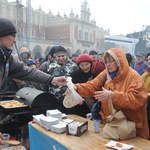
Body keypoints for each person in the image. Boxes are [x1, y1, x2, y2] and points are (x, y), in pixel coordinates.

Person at [69, 48, 149, 139]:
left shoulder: (134, 77)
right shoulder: (106, 74)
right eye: (106, 62)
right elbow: (92, 86)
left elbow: (137, 100)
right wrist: (76, 88)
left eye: (111, 61)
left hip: (132, 129)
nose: (108, 65)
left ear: (120, 61)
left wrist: (113, 95)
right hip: (112, 126)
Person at [0, 18, 66, 93]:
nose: (15, 41)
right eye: (12, 35)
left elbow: (26, 71)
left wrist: (52, 79)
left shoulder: (7, 57)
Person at [47, 46, 78, 113]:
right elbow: (49, 81)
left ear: (66, 55)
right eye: (59, 56)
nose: (61, 58)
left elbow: (77, 81)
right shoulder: (51, 66)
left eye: (63, 56)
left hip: (69, 98)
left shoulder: (74, 66)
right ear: (55, 56)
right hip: (56, 99)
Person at [142, 52, 150, 135]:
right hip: (146, 103)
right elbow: (140, 83)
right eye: (148, 59)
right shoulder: (146, 73)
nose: (149, 61)